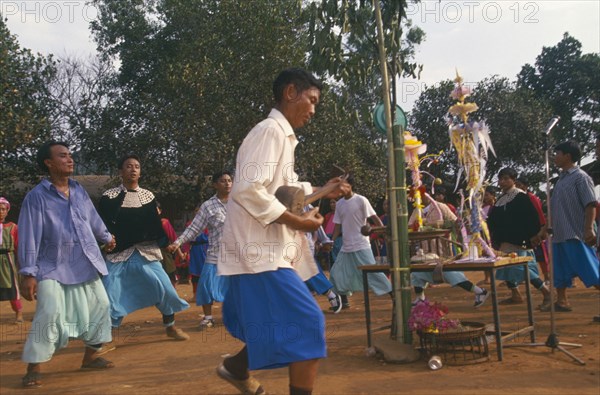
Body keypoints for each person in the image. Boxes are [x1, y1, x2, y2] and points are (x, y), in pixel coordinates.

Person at [217, 68, 349, 395]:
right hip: (258, 252)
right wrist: (300, 222)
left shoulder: (283, 137)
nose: (314, 110)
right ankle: (237, 367)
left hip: (268, 253)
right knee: (308, 324)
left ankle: (236, 367)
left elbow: (285, 192)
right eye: (312, 100)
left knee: (280, 326)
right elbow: (248, 190)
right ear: (291, 93)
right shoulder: (271, 131)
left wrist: (322, 190)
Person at [17, 141, 116, 388]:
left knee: (102, 305)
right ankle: (34, 366)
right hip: (50, 266)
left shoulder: (79, 191)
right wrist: (28, 272)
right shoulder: (36, 197)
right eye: (63, 156)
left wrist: (106, 237)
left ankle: (91, 356)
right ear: (48, 163)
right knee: (48, 311)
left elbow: (92, 218)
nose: (70, 159)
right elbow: (29, 234)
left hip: (84, 262)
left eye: (70, 155)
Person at [99, 154, 190, 341]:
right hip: (118, 254)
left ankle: (170, 327)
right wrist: (105, 243)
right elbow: (101, 224)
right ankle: (100, 341)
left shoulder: (148, 196)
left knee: (165, 288)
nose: (133, 169)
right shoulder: (109, 196)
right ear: (120, 172)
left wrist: (167, 245)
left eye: (137, 166)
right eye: (128, 166)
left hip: (146, 252)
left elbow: (154, 225)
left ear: (140, 172)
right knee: (110, 294)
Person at [167, 171, 233, 330]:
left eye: (230, 180)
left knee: (239, 287)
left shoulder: (240, 202)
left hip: (237, 254)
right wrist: (177, 243)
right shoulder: (208, 206)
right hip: (215, 253)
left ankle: (236, 316)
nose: (228, 184)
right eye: (223, 181)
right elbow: (194, 229)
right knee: (206, 284)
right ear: (215, 185)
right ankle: (208, 318)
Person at [539, 141, 599, 312]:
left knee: (591, 272)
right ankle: (562, 301)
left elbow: (590, 204)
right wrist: (544, 229)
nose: (554, 157)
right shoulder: (560, 181)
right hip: (559, 234)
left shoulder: (581, 177)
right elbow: (554, 208)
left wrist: (588, 229)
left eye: (557, 153)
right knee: (560, 272)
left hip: (575, 234)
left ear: (568, 156)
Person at [408, 194, 488, 307]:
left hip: (442, 248)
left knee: (452, 275)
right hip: (425, 250)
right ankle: (420, 298)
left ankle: (480, 291)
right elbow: (410, 225)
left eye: (420, 195)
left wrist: (439, 225)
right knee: (417, 274)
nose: (418, 198)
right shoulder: (417, 210)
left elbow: (455, 222)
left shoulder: (441, 207)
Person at [487, 167, 551, 307]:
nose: (502, 182)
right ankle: (515, 294)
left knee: (521, 268)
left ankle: (546, 292)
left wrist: (535, 235)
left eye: (506, 178)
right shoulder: (501, 199)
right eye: (501, 179)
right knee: (507, 268)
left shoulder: (521, 196)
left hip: (519, 240)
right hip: (505, 240)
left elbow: (532, 217)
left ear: (513, 180)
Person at [329, 175, 392, 310]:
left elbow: (375, 218)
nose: (339, 188)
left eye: (343, 184)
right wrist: (332, 241)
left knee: (374, 273)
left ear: (350, 186)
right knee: (336, 273)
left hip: (361, 245)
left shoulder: (361, 200)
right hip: (346, 247)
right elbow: (338, 226)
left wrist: (383, 233)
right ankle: (344, 300)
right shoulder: (339, 204)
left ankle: (393, 295)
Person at [303, 205, 343, 314]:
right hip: (283, 245)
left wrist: (325, 240)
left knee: (309, 272)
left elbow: (317, 223)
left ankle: (331, 294)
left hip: (304, 244)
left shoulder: (305, 203)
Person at [515, 178, 549, 283]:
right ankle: (526, 276)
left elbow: (539, 214)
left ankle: (547, 277)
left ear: (525, 186)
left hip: (536, 231)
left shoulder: (531, 197)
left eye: (519, 185)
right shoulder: (517, 198)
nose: (517, 187)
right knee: (525, 254)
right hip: (524, 232)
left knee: (541, 255)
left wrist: (542, 229)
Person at [0, 197, 23, 323]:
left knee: (12, 287)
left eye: (3, 209)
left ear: (7, 211)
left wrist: (20, 263)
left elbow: (17, 245)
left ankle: (18, 312)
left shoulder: (13, 227)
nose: (1, 212)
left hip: (8, 259)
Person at [157, 201, 182, 286]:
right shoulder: (147, 224)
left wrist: (180, 253)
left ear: (160, 211)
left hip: (165, 254)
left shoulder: (164, 223)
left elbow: (173, 238)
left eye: (156, 209)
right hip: (152, 254)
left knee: (170, 276)